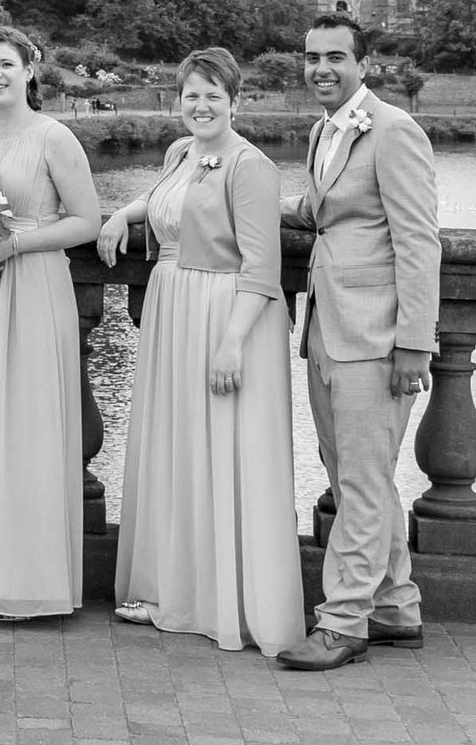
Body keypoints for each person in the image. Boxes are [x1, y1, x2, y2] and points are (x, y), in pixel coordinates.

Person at [98, 48, 304, 653]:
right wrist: (122, 212)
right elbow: (168, 203)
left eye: (214, 95)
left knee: (226, 452)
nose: (202, 105)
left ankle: (227, 601)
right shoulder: (179, 153)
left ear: (236, 101)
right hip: (173, 310)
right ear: (178, 100)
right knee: (180, 448)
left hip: (226, 315)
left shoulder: (251, 165)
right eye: (192, 94)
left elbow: (262, 268)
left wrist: (232, 343)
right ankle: (175, 589)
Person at [274, 13, 439, 670]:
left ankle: (343, 624)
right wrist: (240, 203)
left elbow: (419, 242)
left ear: (363, 65)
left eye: (335, 57)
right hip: (327, 329)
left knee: (362, 484)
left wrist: (414, 343)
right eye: (312, 57)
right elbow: (320, 211)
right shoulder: (324, 130)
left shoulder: (394, 131)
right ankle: (396, 608)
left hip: (375, 338)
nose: (321, 68)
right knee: (356, 478)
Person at [0, 25, 99, 619]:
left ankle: (26, 582)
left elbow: (85, 220)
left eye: (6, 64)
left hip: (34, 289)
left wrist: (15, 245)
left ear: (29, 70)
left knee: (28, 427)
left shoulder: (54, 137)